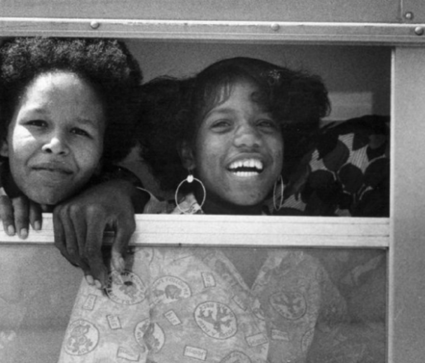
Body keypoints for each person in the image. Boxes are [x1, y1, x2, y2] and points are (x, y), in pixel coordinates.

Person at [58, 57, 366, 363]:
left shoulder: (304, 268)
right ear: (189, 154)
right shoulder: (135, 254)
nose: (248, 138)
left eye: (264, 123)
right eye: (222, 124)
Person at [0, 37, 142, 361]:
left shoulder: (119, 190)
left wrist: (120, 191)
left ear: (105, 150)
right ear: (3, 140)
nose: (56, 144)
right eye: (38, 123)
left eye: (79, 131)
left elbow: (138, 192)